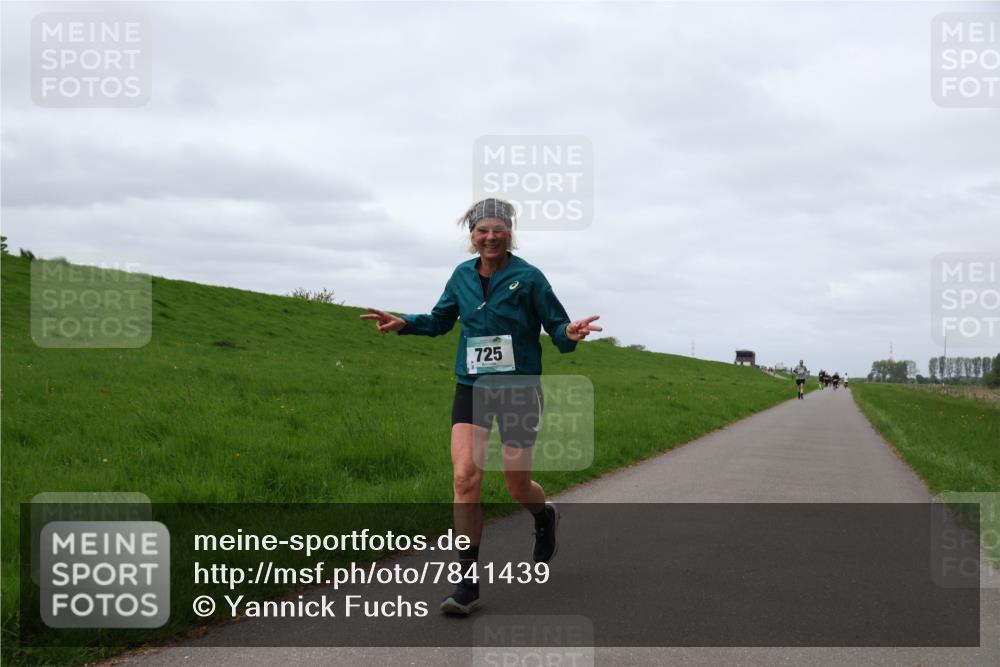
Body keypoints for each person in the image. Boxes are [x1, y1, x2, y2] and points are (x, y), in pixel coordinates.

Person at [360, 198, 602, 616]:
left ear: (510, 233)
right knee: (465, 477)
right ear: (471, 236)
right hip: (471, 386)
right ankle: (467, 583)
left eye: (498, 229)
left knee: (516, 485)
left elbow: (556, 326)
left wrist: (571, 331)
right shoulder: (460, 276)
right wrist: (405, 323)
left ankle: (544, 516)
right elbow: (440, 320)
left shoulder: (529, 278)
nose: (490, 236)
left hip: (519, 389)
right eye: (481, 230)